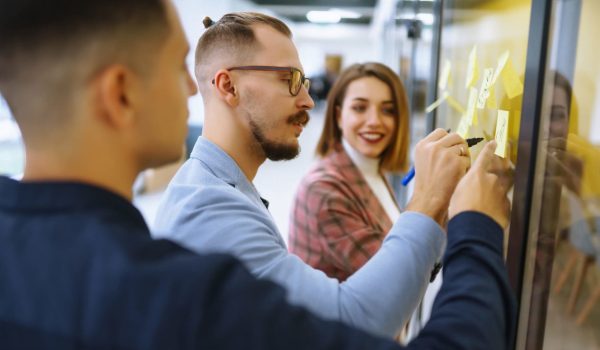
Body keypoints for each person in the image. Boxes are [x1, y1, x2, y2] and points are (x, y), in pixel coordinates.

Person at [0, 1, 516, 348]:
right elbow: (359, 320)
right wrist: (468, 223)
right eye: (178, 65)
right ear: (121, 92)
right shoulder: (175, 274)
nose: (188, 87)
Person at [155, 12, 474, 338]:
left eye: (304, 84)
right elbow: (355, 322)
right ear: (228, 86)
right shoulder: (209, 210)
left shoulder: (222, 188)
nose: (307, 101)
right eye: (289, 80)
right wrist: (429, 197)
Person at [288, 62, 442, 340]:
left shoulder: (370, 169)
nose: (375, 121)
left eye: (387, 110)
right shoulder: (324, 189)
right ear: (338, 115)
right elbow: (400, 273)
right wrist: (437, 194)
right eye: (360, 108)